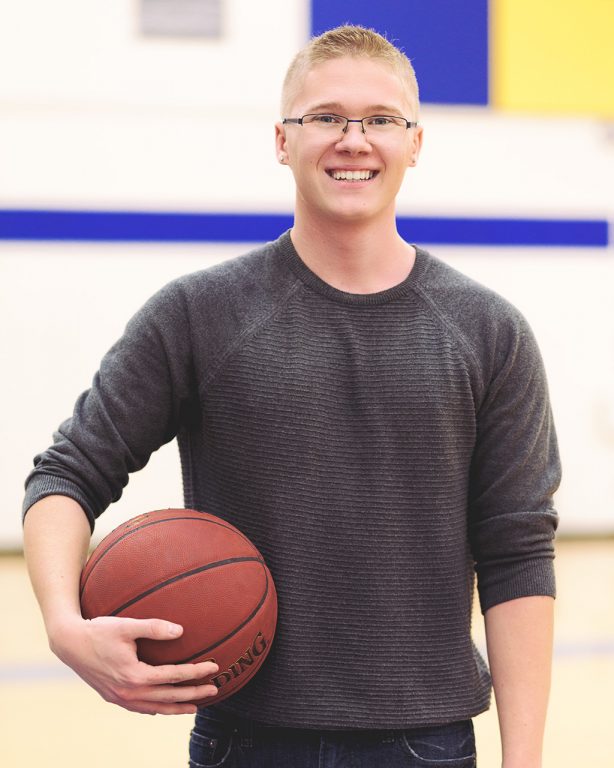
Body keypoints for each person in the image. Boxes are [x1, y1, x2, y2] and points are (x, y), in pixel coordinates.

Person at [23, 24, 560, 768]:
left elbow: (518, 554)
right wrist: (61, 624)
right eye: (326, 117)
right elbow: (66, 473)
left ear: (415, 142)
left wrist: (523, 760)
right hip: (244, 739)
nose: (353, 139)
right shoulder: (198, 313)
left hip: (426, 743)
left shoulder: (489, 332)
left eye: (380, 119)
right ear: (282, 140)